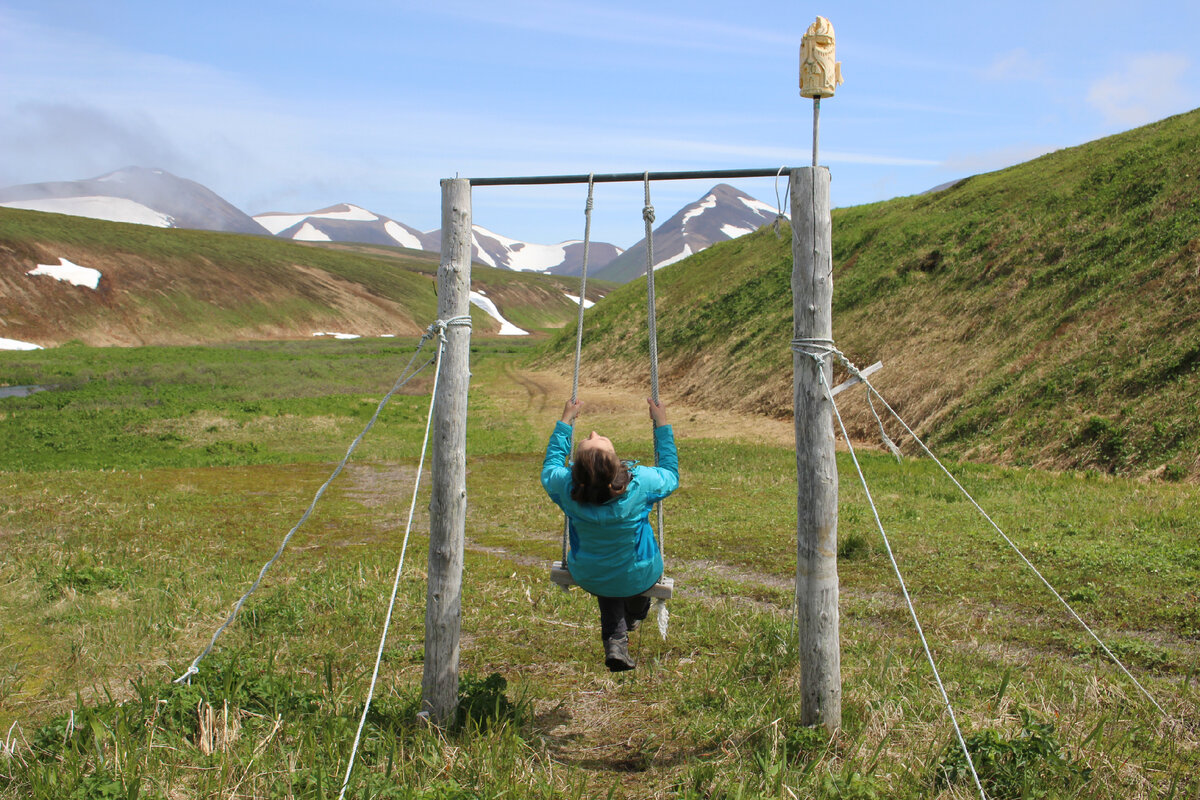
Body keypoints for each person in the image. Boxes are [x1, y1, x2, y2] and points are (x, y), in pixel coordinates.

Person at [541, 396, 679, 672]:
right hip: (640, 574)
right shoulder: (641, 485)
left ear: (576, 471)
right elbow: (670, 475)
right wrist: (661, 423)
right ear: (616, 463)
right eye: (599, 440)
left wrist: (565, 420)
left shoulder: (566, 488)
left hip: (590, 573)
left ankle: (616, 638)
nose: (593, 432)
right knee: (630, 584)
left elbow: (551, 465)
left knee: (606, 575)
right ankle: (632, 619)